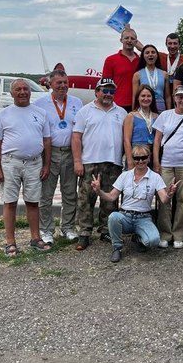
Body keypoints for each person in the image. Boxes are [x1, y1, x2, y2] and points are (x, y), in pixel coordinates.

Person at [0, 79, 52, 257]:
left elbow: (47, 141)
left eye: (26, 89)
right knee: (10, 202)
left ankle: (35, 237)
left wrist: (46, 164)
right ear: (12, 93)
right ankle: (10, 242)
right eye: (18, 89)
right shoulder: (3, 115)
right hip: (11, 163)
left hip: (34, 163)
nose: (23, 92)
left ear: (30, 92)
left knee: (33, 202)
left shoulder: (40, 113)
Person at [89, 144, 178, 263]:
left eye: (143, 157)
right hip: (125, 216)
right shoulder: (125, 175)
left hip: (144, 217)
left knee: (154, 241)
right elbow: (111, 197)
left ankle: (138, 239)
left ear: (149, 158)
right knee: (113, 217)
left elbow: (164, 200)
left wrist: (170, 194)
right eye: (136, 158)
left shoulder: (155, 177)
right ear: (132, 159)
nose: (140, 161)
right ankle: (117, 248)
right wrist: (99, 191)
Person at [72, 78, 127, 250]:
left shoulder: (122, 112)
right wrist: (77, 161)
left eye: (111, 91)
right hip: (90, 162)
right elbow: (76, 137)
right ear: (97, 92)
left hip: (113, 162)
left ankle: (106, 231)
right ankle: (84, 233)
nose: (108, 94)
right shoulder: (85, 111)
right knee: (86, 199)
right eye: (104, 90)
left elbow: (125, 138)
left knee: (110, 200)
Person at [34, 69, 83, 243]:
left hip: (70, 152)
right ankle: (46, 229)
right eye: (58, 83)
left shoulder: (77, 102)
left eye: (65, 82)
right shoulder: (40, 104)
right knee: (46, 194)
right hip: (50, 153)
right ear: (51, 84)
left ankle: (67, 227)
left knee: (70, 193)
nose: (62, 86)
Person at [153, 86, 183, 248]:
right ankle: (165, 234)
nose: (182, 100)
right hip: (166, 163)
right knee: (164, 197)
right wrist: (156, 162)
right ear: (174, 98)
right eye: (180, 97)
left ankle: (179, 234)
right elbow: (157, 141)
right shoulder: (164, 116)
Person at [102, 27, 141, 112]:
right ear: (121, 40)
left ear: (136, 42)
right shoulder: (111, 60)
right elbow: (106, 84)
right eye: (126, 38)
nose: (129, 40)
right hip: (117, 105)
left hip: (138, 106)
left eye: (132, 38)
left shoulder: (141, 61)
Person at [123, 85, 158, 170]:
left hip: (151, 155)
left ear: (152, 98)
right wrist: (130, 161)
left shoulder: (157, 117)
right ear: (138, 98)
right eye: (143, 96)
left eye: (149, 96)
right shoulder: (131, 116)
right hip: (136, 155)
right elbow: (126, 140)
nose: (146, 98)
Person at [132, 44, 171, 112]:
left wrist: (169, 112)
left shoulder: (164, 74)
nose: (150, 54)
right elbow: (135, 96)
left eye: (153, 52)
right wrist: (134, 112)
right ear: (143, 56)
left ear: (157, 55)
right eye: (147, 53)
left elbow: (167, 96)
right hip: (145, 107)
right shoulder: (137, 75)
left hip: (161, 109)